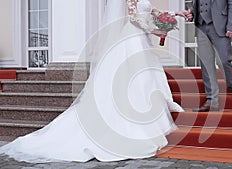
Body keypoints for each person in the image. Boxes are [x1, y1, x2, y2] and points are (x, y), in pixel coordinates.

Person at [0, 0, 186, 163]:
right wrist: (155, 30)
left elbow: (154, 12)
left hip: (142, 40)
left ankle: (157, 104)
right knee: (135, 76)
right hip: (132, 38)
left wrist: (174, 15)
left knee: (148, 74)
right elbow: (133, 19)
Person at [185, 0, 232, 112]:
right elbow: (196, 4)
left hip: (220, 25)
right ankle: (212, 100)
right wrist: (191, 12)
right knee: (206, 64)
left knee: (224, 60)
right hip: (201, 26)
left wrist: (231, 25)